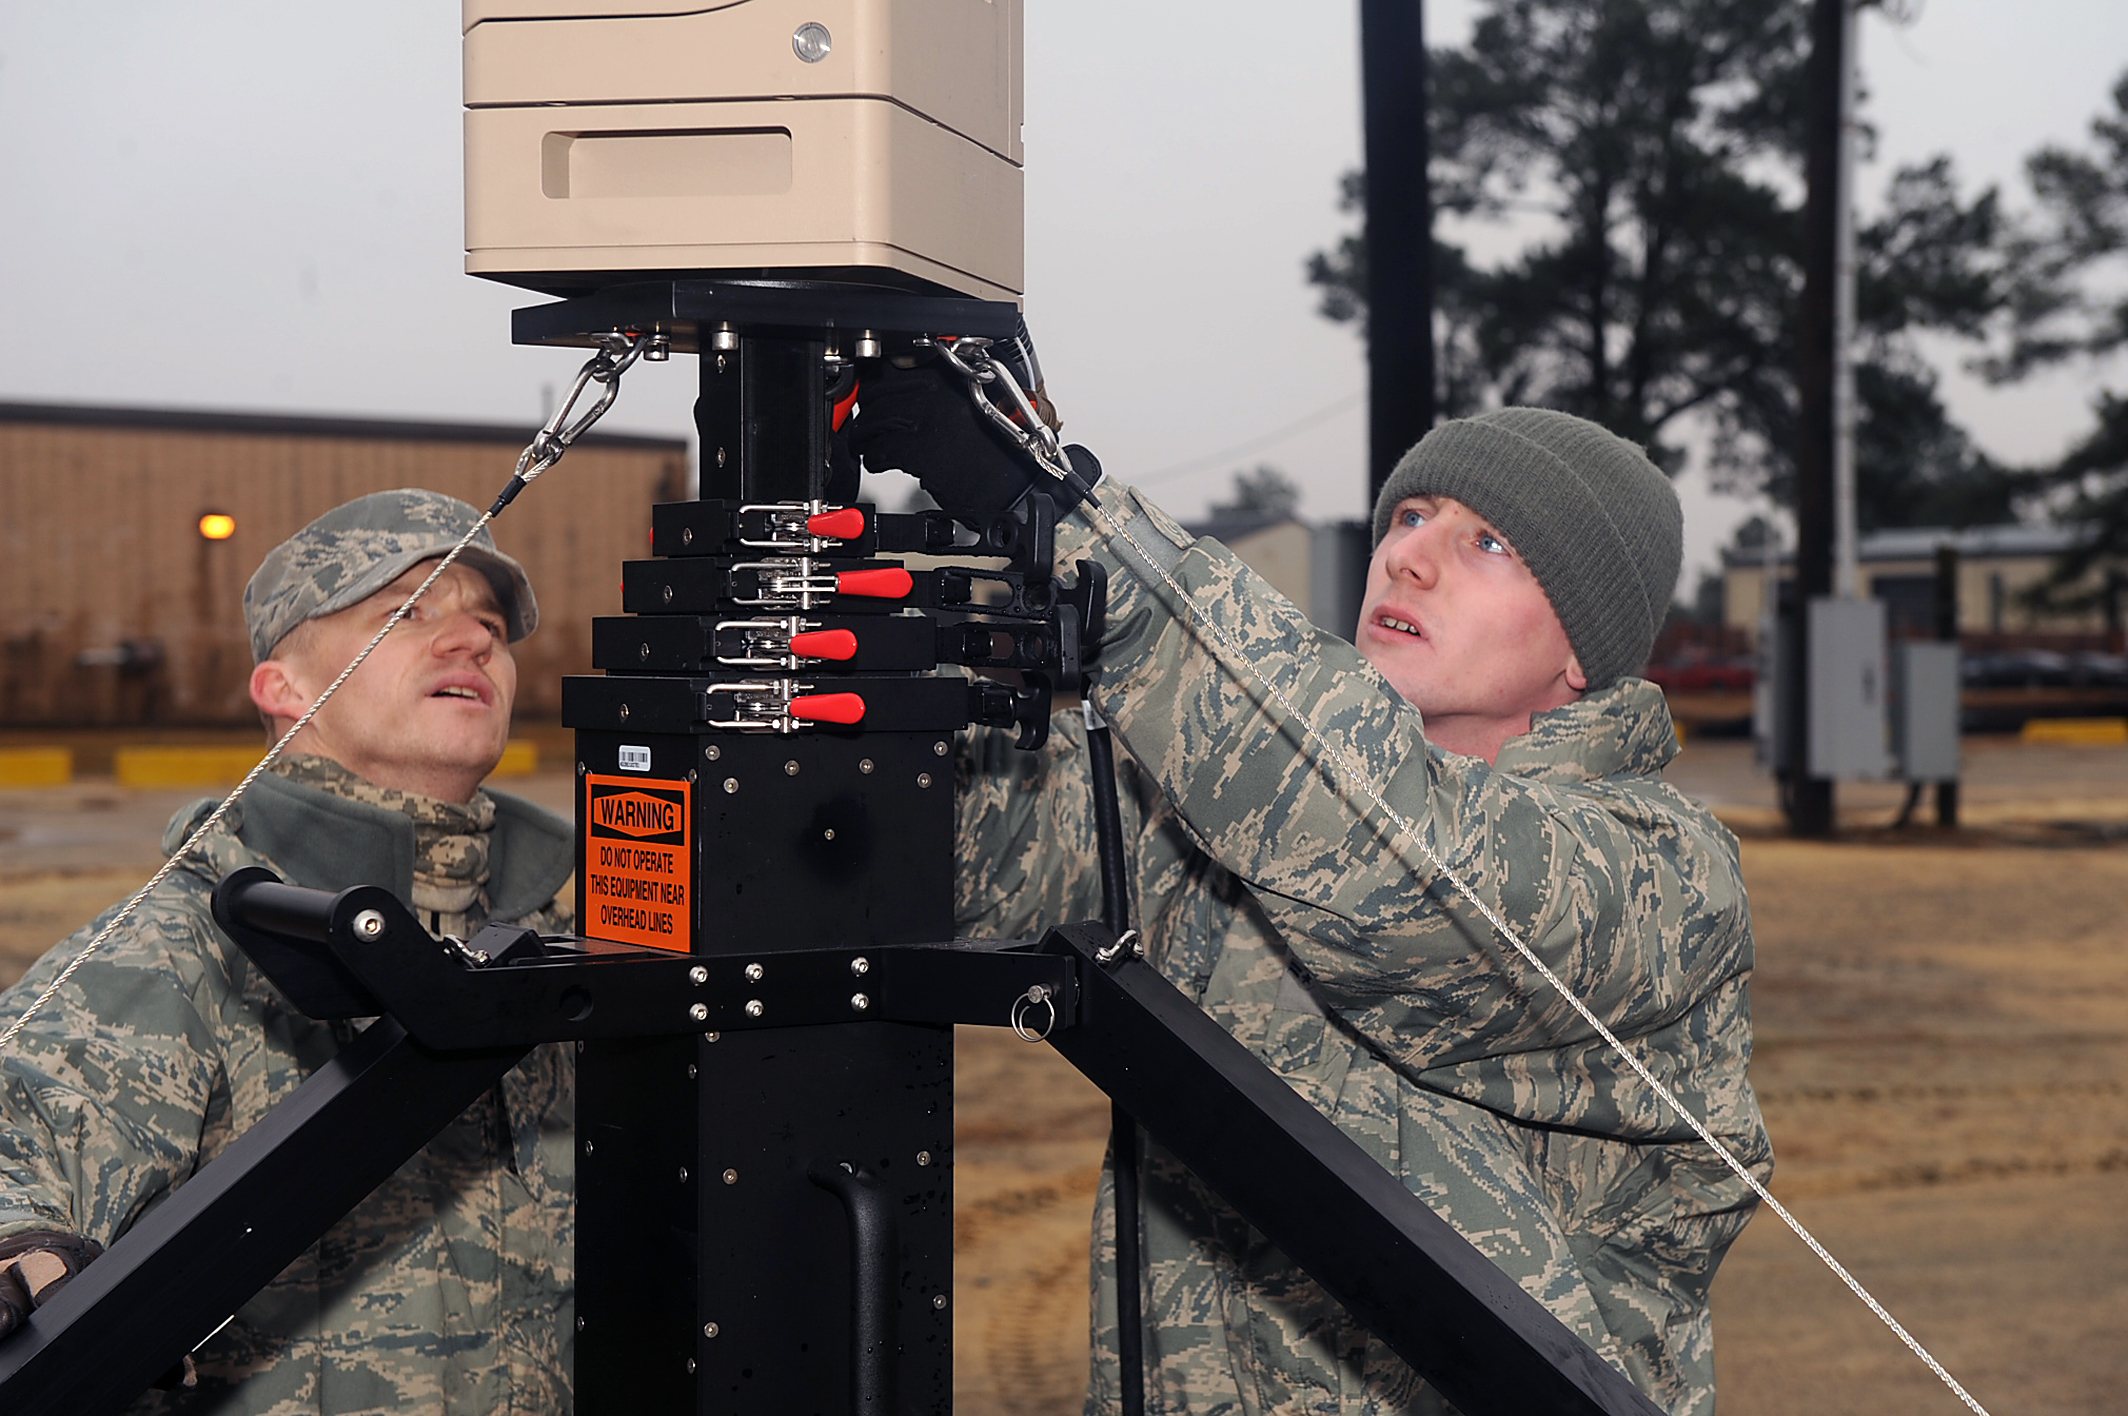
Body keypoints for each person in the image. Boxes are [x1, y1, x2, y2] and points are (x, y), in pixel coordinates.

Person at [851, 381, 1772, 1416]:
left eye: (1490, 546)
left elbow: (1392, 869)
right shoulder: (1204, 807)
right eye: (1412, 516)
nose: (1409, 554)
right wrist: (844, 690)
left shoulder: (1663, 874)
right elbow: (948, 852)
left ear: (1580, 655)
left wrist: (1060, 514)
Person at [0, 490, 576, 1414]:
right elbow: (19, 1125)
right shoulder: (190, 948)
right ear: (284, 689)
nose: (472, 642)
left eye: (490, 626)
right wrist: (22, 1251)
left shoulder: (580, 941)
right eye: (405, 612)